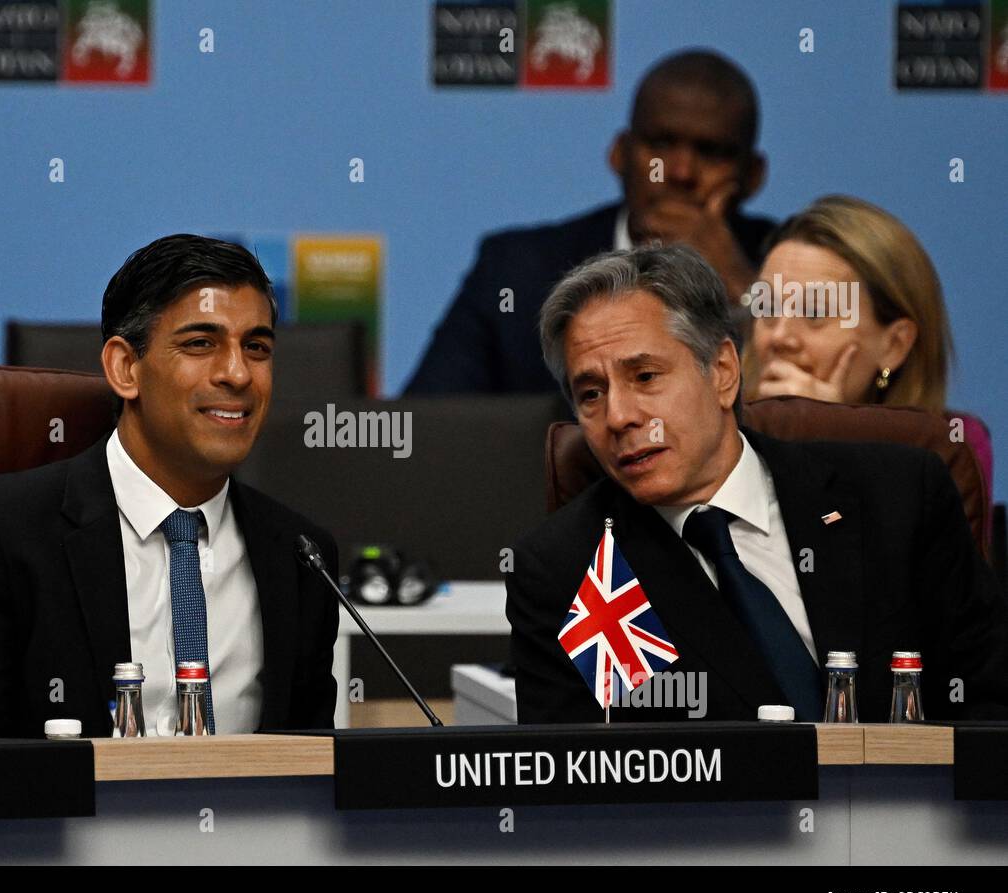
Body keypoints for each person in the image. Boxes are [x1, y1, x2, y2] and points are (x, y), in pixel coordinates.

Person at [508, 245, 1008, 723]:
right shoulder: (570, 573)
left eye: (645, 376)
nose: (618, 417)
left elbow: (989, 705)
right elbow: (579, 781)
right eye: (591, 393)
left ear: (723, 372)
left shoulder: (898, 496)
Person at [0, 235, 339, 738]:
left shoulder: (300, 556)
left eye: (256, 347)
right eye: (201, 343)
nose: (238, 373)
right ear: (125, 368)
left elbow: (311, 772)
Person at [405, 49, 775, 395]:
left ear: (753, 175)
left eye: (711, 153)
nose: (679, 172)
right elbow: (430, 428)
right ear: (619, 154)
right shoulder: (517, 272)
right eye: (661, 144)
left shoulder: (789, 263)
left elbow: (802, 432)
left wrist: (740, 290)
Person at [744, 193, 993, 496]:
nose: (780, 336)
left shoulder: (950, 447)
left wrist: (829, 438)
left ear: (894, 345)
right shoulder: (712, 432)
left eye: (815, 312)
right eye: (767, 308)